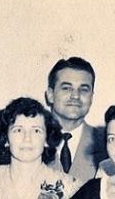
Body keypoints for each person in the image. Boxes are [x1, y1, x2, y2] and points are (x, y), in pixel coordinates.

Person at [44, 57, 107, 185]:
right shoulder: (29, 140)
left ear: (91, 97)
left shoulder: (106, 143)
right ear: (50, 95)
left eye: (84, 89)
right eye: (66, 88)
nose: (75, 96)